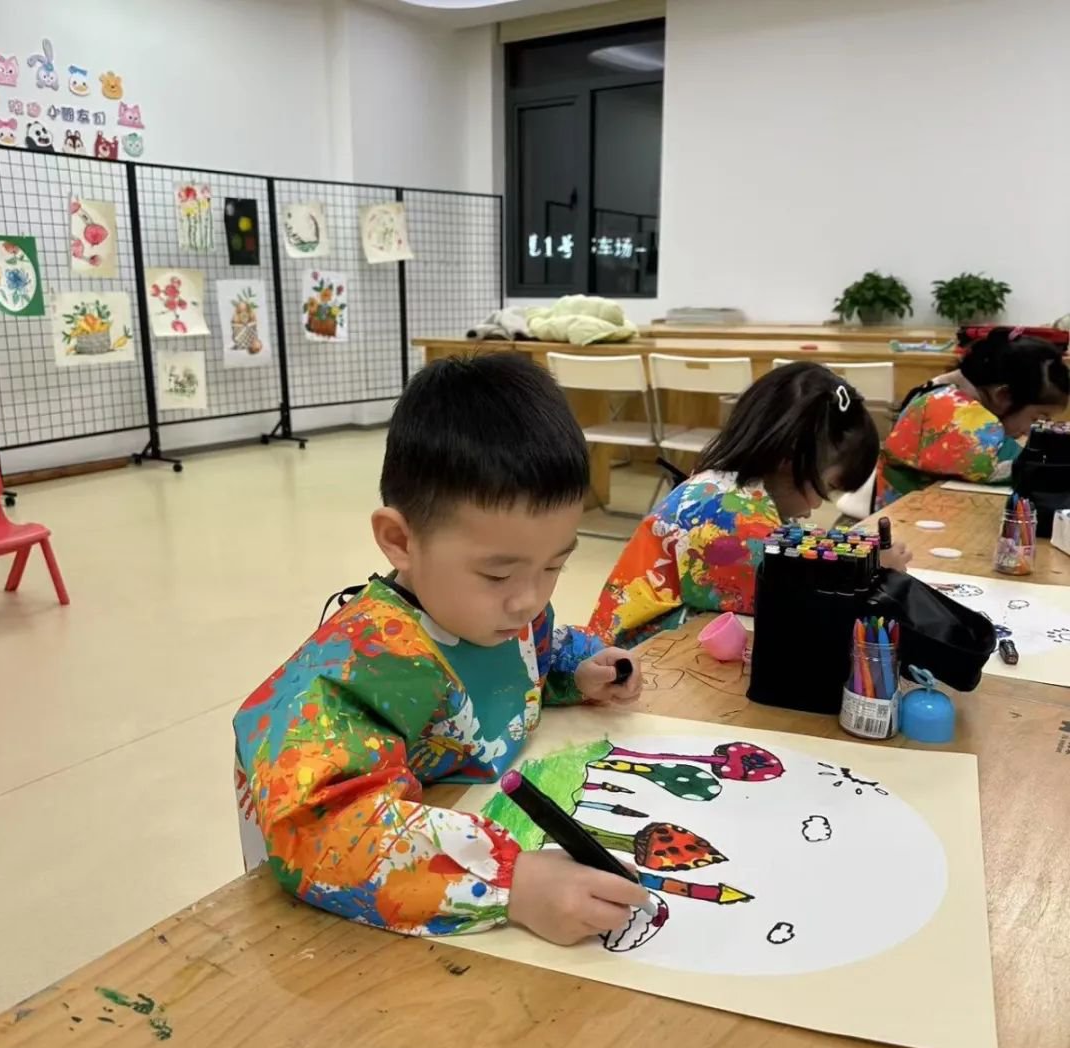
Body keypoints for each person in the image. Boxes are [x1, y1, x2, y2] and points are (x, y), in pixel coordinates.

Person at [233, 354, 648, 948]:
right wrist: (512, 884)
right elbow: (324, 830)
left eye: (554, 566)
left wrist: (578, 670)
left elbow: (538, 651)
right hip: (335, 932)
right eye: (498, 575)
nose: (529, 600)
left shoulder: (499, 611)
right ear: (400, 540)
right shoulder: (353, 673)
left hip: (466, 808)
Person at [588, 363, 911, 648]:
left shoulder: (731, 489)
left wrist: (859, 555)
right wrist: (870, 570)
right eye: (826, 488)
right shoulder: (726, 514)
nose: (814, 508)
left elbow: (795, 554)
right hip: (637, 661)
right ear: (790, 458)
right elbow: (796, 600)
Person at [876, 328, 1069, 507]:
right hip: (899, 518)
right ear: (1003, 396)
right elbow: (1021, 466)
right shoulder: (952, 410)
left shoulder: (948, 391)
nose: (1030, 430)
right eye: (1036, 418)